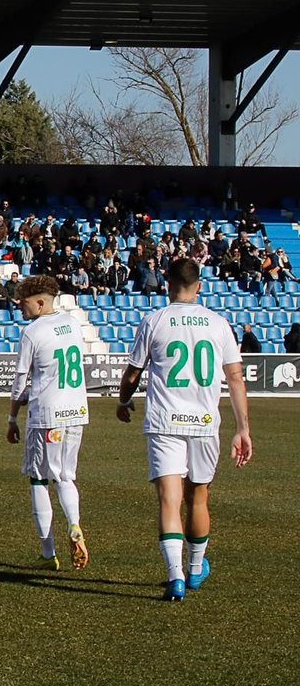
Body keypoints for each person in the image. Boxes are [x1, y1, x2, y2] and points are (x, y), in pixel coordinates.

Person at [117, 257, 253, 602]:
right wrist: (243, 429)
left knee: (169, 499)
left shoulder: (154, 320)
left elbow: (133, 372)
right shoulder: (218, 323)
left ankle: (175, 577)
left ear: (167, 282)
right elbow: (235, 377)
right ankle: (194, 569)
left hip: (165, 421)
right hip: (205, 423)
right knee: (199, 498)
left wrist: (123, 400)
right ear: (200, 286)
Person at [5, 276, 89, 573]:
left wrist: (13, 417)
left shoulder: (32, 331)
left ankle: (47, 552)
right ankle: (75, 523)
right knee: (65, 476)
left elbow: (20, 379)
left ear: (40, 302)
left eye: (24, 302)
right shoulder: (73, 324)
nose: (19, 307)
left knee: (38, 478)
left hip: (47, 416)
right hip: (76, 411)